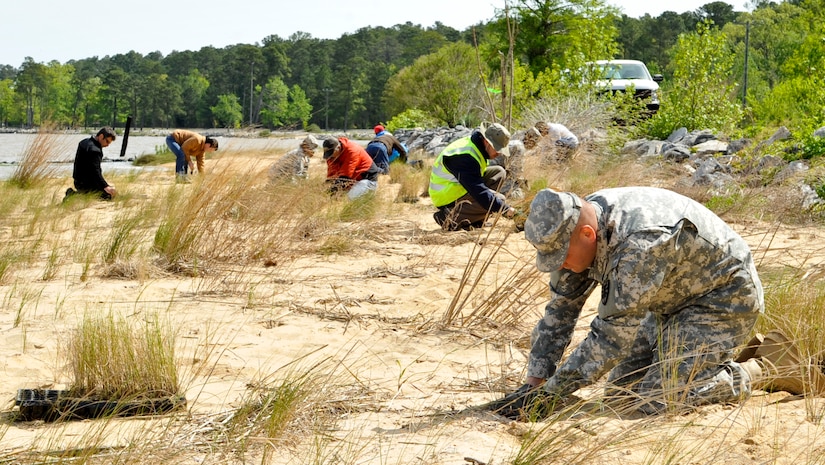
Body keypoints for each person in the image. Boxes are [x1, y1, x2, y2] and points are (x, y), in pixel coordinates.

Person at [484, 186, 765, 419]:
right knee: (621, 395)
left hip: (722, 298)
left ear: (586, 234)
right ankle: (702, 365)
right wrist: (536, 382)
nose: (561, 265)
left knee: (659, 400)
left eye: (561, 256)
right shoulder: (574, 232)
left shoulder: (639, 245)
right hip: (668, 301)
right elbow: (559, 312)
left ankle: (754, 370)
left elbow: (611, 340)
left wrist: (553, 395)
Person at [428, 122, 519, 231]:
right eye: (497, 148)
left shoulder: (477, 146)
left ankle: (475, 219)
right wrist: (506, 210)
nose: (499, 153)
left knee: (499, 172)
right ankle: (450, 218)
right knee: (500, 199)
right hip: (447, 198)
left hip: (461, 187)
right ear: (486, 142)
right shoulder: (464, 157)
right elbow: (479, 191)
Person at [65, 127, 118, 201]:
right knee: (108, 196)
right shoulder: (95, 150)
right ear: (101, 136)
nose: (107, 145)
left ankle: (77, 193)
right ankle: (73, 195)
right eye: (107, 141)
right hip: (87, 184)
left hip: (77, 181)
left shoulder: (84, 142)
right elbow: (95, 171)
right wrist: (105, 186)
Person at [323, 136, 382, 200]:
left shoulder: (352, 151)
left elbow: (345, 176)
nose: (330, 156)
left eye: (331, 153)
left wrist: (330, 192)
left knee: (349, 198)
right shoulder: (331, 156)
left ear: (338, 148)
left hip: (367, 180)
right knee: (334, 196)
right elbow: (332, 175)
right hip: (352, 180)